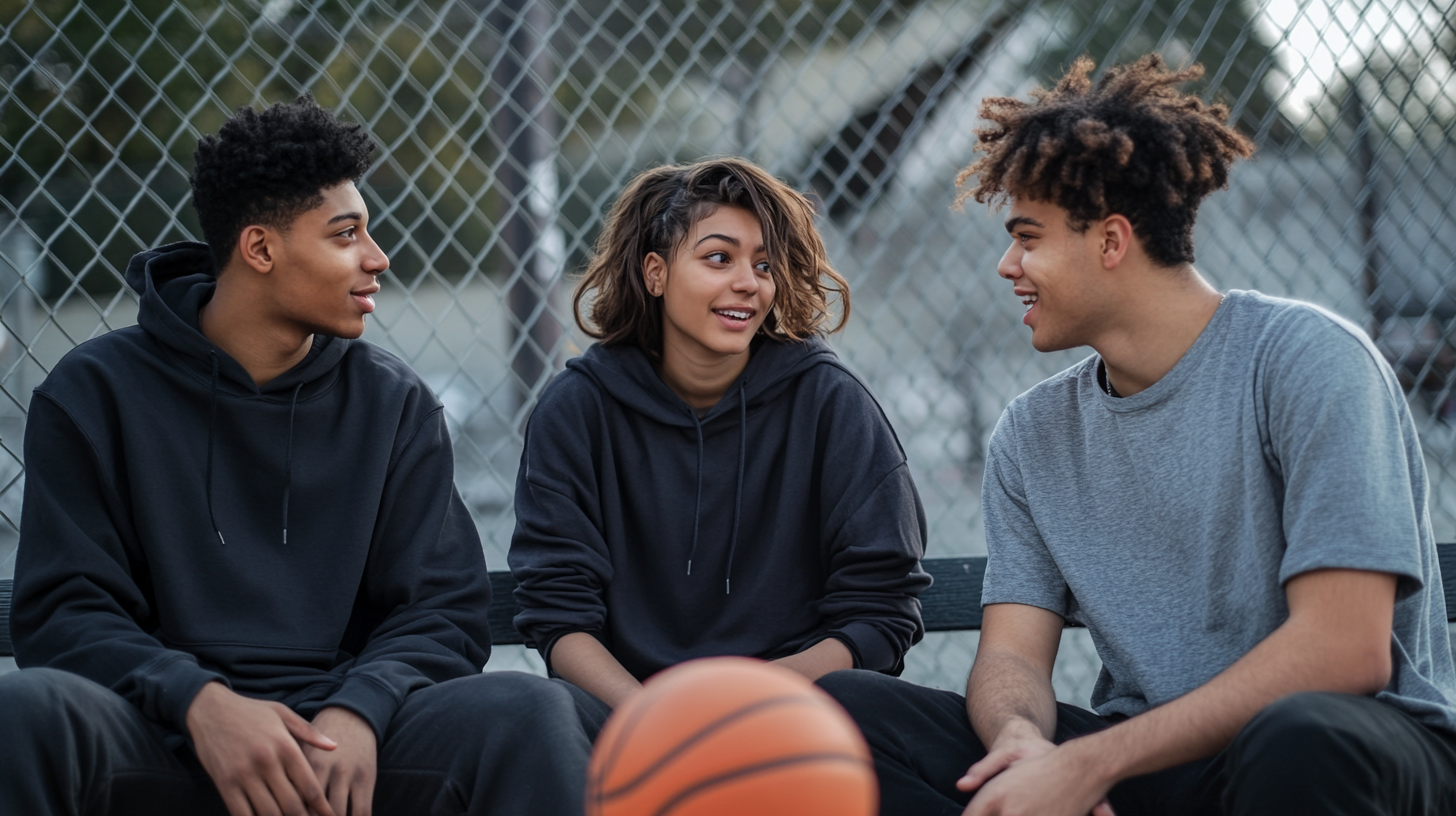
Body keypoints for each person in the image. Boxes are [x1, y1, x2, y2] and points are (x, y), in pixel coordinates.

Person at [818, 54, 1456, 816]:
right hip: (1151, 764)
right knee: (842, 716)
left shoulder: (1309, 360)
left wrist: (1089, 764)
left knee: (1300, 735)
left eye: (1028, 236)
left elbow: (1342, 651)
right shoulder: (1033, 433)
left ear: (1112, 242)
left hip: (1349, 748)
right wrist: (1020, 741)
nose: (1006, 264)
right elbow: (1014, 654)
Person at [0, 96, 590, 816]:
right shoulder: (95, 393)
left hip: (342, 748)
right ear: (260, 249)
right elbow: (64, 611)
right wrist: (200, 702)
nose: (378, 258)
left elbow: (441, 609)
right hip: (163, 737)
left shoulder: (392, 403)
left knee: (526, 712)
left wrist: (361, 709)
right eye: (346, 235)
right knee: (23, 712)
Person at [508, 158, 931, 726]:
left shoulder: (830, 403)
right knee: (533, 717)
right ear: (655, 273)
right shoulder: (576, 412)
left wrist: (741, 707)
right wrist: (656, 720)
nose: (747, 282)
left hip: (795, 711)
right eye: (718, 258)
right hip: (627, 718)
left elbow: (882, 608)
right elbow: (560, 614)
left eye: (763, 264)